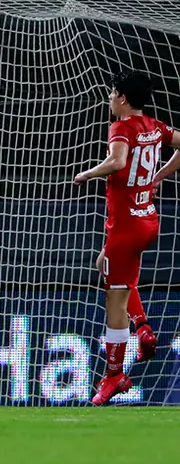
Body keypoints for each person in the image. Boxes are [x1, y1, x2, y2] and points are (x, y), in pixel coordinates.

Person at [75, 70, 175, 405]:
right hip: (148, 221)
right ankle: (143, 328)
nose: (109, 98)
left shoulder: (121, 127)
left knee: (114, 300)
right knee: (107, 265)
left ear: (122, 97)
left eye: (111, 93)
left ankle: (115, 375)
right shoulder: (154, 126)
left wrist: (89, 173)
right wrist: (159, 176)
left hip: (126, 225)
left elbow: (117, 161)